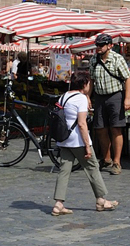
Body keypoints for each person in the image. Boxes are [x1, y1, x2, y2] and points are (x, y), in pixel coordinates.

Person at [50, 72, 118, 216]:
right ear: (84, 84)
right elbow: (82, 123)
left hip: (64, 139)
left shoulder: (64, 96)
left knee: (64, 170)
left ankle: (58, 203)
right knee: (92, 167)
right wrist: (87, 145)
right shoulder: (80, 98)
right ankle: (101, 200)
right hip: (78, 140)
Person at [89, 34, 130, 173]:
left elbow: (128, 78)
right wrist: (87, 97)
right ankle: (106, 158)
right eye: (97, 45)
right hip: (99, 97)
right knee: (100, 129)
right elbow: (91, 80)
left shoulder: (117, 59)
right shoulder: (94, 59)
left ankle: (117, 162)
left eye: (101, 45)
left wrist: (127, 99)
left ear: (109, 46)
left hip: (115, 96)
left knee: (116, 129)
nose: (98, 47)